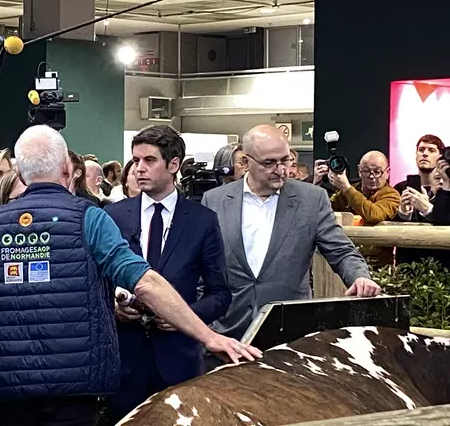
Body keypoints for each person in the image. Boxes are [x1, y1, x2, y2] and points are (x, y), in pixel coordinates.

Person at [0, 125, 259, 426]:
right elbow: (145, 282)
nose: (140, 169)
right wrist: (209, 337)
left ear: (20, 172)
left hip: (4, 386)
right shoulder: (89, 218)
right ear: (66, 167)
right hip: (72, 386)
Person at [201, 125, 381, 348]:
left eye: (285, 160)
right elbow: (204, 267)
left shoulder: (312, 199)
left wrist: (359, 277)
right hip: (228, 334)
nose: (280, 169)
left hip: (291, 336)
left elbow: (341, 250)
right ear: (246, 162)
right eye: (269, 163)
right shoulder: (214, 200)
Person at [104, 125, 232, 422]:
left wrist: (182, 315)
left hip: (180, 363)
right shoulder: (113, 216)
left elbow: (220, 294)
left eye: (150, 161)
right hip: (124, 363)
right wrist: (113, 309)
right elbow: (96, 284)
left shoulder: (202, 221)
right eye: (135, 161)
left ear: (173, 165)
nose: (139, 169)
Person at [329, 150, 400, 225]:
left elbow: (374, 216)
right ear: (359, 171)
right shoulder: (350, 190)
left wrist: (347, 188)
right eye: (366, 171)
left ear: (387, 172)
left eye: (377, 172)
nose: (371, 176)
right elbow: (326, 209)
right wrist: (317, 183)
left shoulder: (392, 195)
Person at [395, 135, 445, 222]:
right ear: (416, 154)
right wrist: (403, 213)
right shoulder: (399, 188)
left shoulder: (446, 190)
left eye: (431, 150)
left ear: (440, 157)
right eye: (421, 150)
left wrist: (427, 209)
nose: (425, 154)